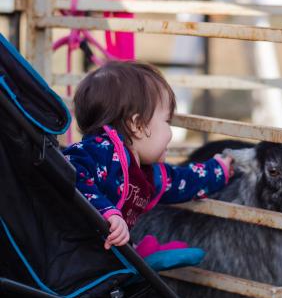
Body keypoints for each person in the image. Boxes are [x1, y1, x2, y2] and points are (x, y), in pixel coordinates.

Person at [63, 60, 233, 269]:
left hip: (105, 256)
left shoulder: (148, 172)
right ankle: (137, 256)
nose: (170, 133)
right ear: (137, 125)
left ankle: (137, 255)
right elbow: (71, 173)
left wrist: (218, 170)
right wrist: (107, 212)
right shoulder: (98, 151)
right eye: (167, 122)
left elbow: (182, 180)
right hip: (72, 256)